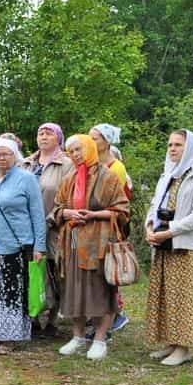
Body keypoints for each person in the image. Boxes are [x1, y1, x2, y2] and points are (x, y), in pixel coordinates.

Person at [49, 134, 130, 361]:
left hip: (99, 242)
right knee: (74, 288)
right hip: (73, 242)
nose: (75, 155)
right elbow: (56, 209)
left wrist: (94, 215)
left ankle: (100, 339)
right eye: (71, 151)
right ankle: (78, 337)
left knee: (100, 290)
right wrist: (67, 212)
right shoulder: (70, 178)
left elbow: (123, 210)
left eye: (79, 149)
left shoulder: (108, 177)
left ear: (90, 149)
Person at [145, 130, 193, 366]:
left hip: (187, 245)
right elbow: (155, 205)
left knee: (185, 297)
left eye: (178, 145)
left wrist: (170, 230)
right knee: (166, 295)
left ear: (190, 147)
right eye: (170, 145)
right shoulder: (168, 174)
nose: (172, 149)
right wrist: (149, 227)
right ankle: (171, 343)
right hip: (164, 243)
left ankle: (184, 348)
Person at [0, 138, 46, 355]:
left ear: (15, 155)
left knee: (12, 291)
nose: (1, 158)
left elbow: (37, 214)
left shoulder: (27, 179)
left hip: (16, 244)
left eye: (6, 154)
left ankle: (11, 337)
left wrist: (39, 246)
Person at [20, 123, 73, 337]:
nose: (43, 136)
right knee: (30, 271)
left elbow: (68, 196)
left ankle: (52, 318)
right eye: (40, 133)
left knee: (54, 271)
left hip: (53, 227)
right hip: (25, 228)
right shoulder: (26, 163)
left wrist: (51, 219)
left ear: (58, 138)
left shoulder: (66, 164)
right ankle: (32, 316)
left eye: (48, 133)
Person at [89, 123, 132, 333]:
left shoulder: (116, 168)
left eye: (95, 138)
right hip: (90, 227)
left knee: (107, 273)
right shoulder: (90, 164)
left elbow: (113, 200)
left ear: (106, 142)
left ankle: (113, 316)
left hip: (108, 227)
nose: (90, 142)